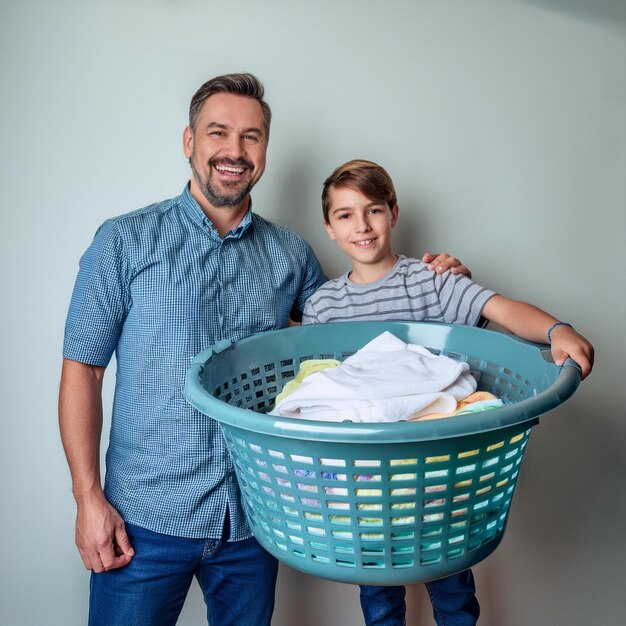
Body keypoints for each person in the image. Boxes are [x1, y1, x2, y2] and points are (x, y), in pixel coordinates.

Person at [58, 74, 470, 626]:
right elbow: (81, 370)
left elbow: (358, 341)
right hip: (144, 519)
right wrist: (88, 500)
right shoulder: (124, 241)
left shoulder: (291, 254)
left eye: (251, 136)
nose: (234, 150)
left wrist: (440, 282)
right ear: (189, 141)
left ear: (265, 150)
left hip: (256, 518)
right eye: (218, 132)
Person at [301, 159, 594, 626]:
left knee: (453, 590)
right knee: (379, 598)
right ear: (329, 228)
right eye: (345, 214)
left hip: (439, 474)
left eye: (373, 210)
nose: (361, 225)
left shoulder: (430, 280)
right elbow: (322, 389)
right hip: (366, 488)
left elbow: (498, 309)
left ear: (393, 213)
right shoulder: (323, 305)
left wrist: (556, 329)